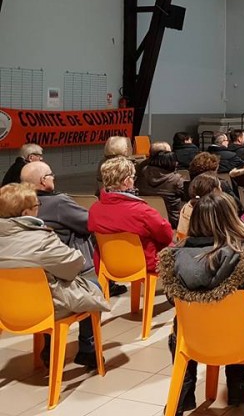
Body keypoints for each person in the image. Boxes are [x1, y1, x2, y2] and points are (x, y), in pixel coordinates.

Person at [159, 193, 244, 412]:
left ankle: (183, 392)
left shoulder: (173, 257)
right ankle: (237, 384)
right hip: (239, 337)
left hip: (193, 338)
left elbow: (172, 299)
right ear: (231, 219)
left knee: (180, 326)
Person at [0, 183, 109, 369]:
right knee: (93, 286)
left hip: (6, 310)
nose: (39, 209)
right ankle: (87, 350)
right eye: (37, 206)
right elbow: (74, 266)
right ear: (26, 212)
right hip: (44, 308)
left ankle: (49, 348)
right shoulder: (41, 239)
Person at [22, 161, 127, 298]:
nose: (53, 177)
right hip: (67, 269)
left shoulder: (18, 204)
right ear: (43, 180)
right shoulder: (58, 202)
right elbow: (90, 222)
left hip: (33, 273)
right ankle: (108, 281)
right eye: (51, 175)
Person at [89, 156, 173, 274]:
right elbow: (167, 235)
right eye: (133, 178)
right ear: (127, 181)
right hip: (144, 265)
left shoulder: (94, 210)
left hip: (107, 265)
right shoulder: (142, 211)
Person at [138, 145, 184, 228]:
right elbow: (185, 196)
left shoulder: (143, 173)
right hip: (171, 220)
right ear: (172, 163)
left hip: (144, 218)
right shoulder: (176, 179)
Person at [178, 173, 222, 237]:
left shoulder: (187, 206)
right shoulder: (213, 209)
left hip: (184, 241)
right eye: (220, 186)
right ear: (215, 190)